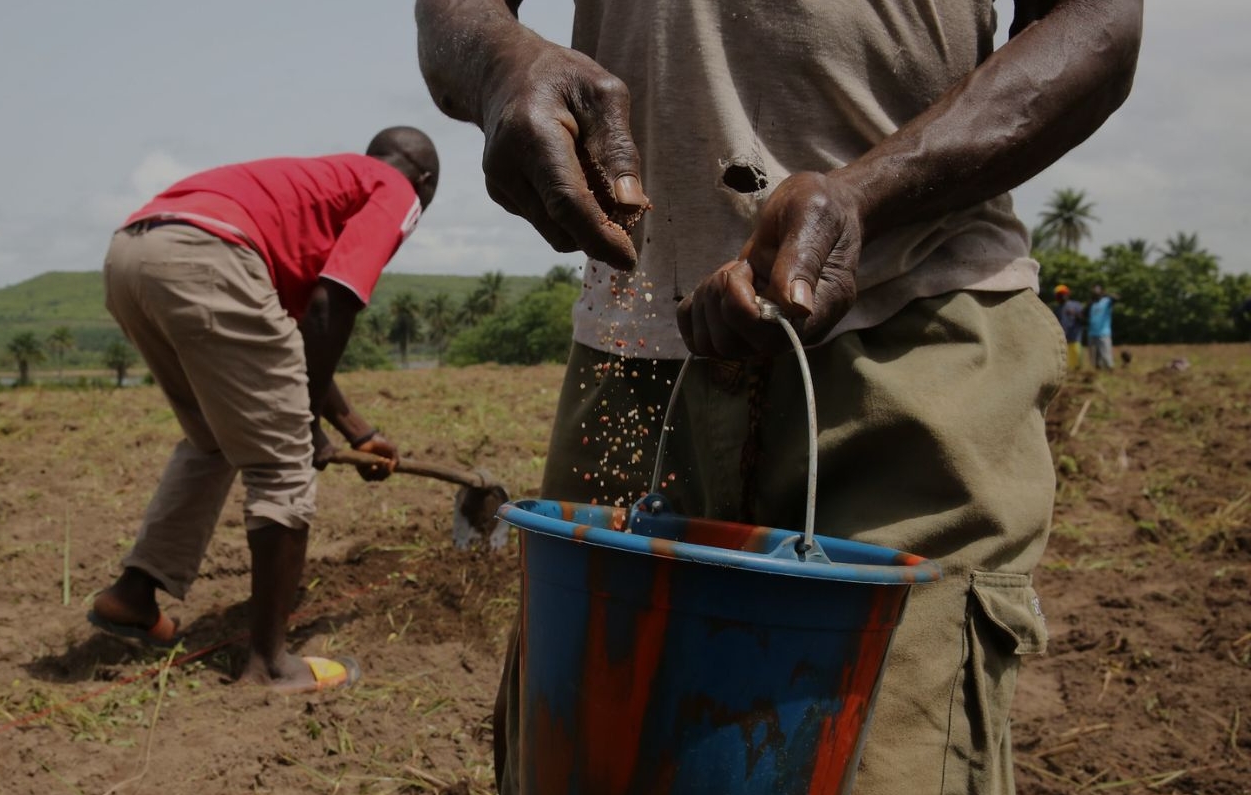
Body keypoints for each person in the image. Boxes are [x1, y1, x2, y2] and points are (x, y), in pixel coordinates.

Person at [416, 1, 1139, 792]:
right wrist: (498, 62)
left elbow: (1098, 25)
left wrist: (864, 195)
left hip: (903, 330)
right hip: (633, 346)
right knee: (585, 758)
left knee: (881, 761)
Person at [87, 127, 440, 693]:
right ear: (425, 182)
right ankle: (272, 665)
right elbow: (332, 305)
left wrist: (357, 431)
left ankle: (132, 595)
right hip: (209, 258)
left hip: (135, 252)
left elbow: (291, 335)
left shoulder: (315, 189)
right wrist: (302, 425)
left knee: (212, 441)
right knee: (281, 465)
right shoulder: (395, 188)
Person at [1087, 283, 1117, 370]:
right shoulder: (1092, 303)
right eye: (1094, 290)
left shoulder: (1107, 301)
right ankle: (1097, 369)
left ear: (1101, 291)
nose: (1095, 291)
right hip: (1092, 333)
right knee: (1094, 355)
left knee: (1106, 353)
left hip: (1103, 332)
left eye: (1097, 289)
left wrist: (1105, 294)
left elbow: (1116, 298)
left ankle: (1109, 368)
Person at [1055, 284, 1086, 370]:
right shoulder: (1057, 309)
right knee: (1067, 363)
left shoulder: (1076, 305)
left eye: (1063, 294)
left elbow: (1083, 320)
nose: (1062, 296)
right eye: (1060, 295)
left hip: (1075, 337)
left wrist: (1074, 314)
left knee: (1077, 359)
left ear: (1067, 294)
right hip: (1064, 339)